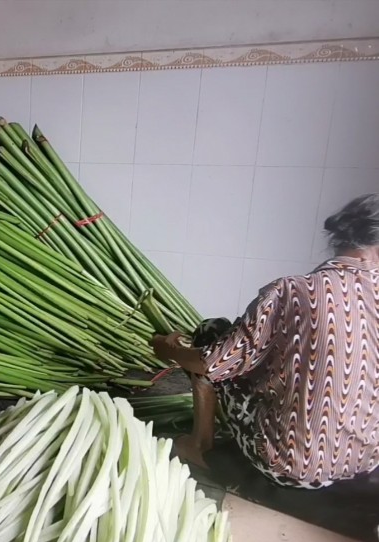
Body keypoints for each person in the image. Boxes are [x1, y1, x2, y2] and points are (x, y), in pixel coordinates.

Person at [151, 194, 379, 489]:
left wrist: (167, 349)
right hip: (366, 461)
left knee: (212, 331)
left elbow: (211, 363)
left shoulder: (293, 290)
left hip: (291, 467)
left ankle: (199, 445)